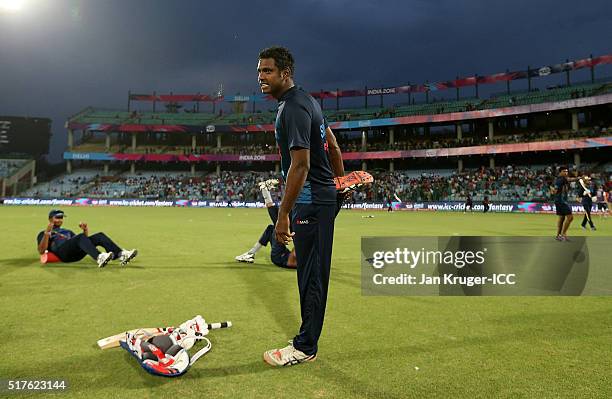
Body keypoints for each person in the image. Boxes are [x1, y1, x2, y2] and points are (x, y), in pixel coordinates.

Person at [257, 46, 344, 367]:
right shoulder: (308, 101)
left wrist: (282, 215)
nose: (260, 77)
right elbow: (332, 146)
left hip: (309, 202)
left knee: (311, 277)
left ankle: (305, 346)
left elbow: (301, 165)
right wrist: (340, 183)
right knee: (310, 273)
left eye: (267, 71)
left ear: (285, 73)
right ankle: (306, 342)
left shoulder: (292, 108)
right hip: (319, 199)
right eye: (259, 71)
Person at [37, 210, 138, 267]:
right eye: (57, 217)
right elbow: (41, 250)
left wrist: (85, 230)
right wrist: (47, 232)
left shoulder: (67, 231)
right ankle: (99, 258)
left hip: (75, 254)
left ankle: (120, 254)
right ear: (50, 219)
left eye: (61, 218)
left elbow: (83, 242)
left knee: (99, 236)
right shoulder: (43, 233)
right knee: (79, 237)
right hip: (63, 254)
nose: (60, 220)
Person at [235, 179, 297, 269]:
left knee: (278, 223)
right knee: (271, 228)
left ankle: (265, 191)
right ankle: (250, 254)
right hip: (284, 253)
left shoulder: (303, 260)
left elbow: (294, 257)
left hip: (279, 257)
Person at [553, 167, 575, 241]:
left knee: (562, 218)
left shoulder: (560, 179)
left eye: (567, 171)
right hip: (561, 201)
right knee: (570, 217)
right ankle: (563, 234)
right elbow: (570, 179)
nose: (566, 172)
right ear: (560, 172)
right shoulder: (562, 179)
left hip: (560, 201)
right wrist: (579, 178)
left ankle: (558, 235)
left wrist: (553, 191)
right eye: (564, 171)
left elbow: (555, 191)